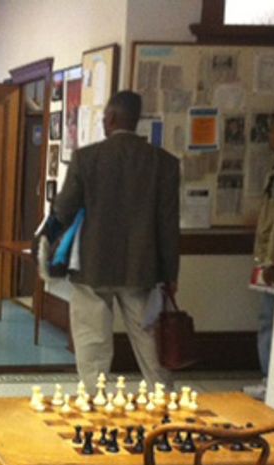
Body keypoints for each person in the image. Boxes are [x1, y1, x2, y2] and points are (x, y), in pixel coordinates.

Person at [53, 90, 180, 391]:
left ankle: (95, 406)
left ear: (110, 118)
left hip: (92, 268)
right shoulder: (164, 163)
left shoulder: (86, 158)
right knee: (151, 347)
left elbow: (63, 209)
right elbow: (168, 225)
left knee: (92, 345)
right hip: (142, 269)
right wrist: (170, 275)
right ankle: (163, 408)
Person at [247, 103, 274, 399]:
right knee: (268, 319)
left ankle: (271, 378)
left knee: (271, 321)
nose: (270, 136)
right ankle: (270, 376)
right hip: (269, 253)